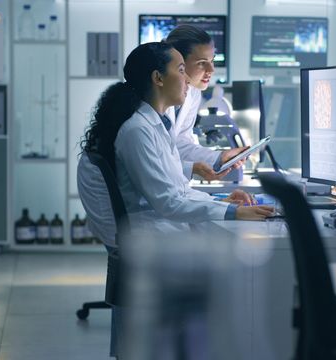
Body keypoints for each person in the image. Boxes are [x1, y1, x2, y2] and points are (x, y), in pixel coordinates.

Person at [78, 41, 274, 358]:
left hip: (161, 229)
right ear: (158, 78)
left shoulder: (157, 124)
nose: (187, 80)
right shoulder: (138, 131)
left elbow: (176, 191)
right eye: (181, 70)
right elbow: (169, 202)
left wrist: (227, 203)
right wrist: (232, 213)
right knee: (245, 267)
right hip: (155, 236)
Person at [165, 25, 247, 181]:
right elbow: (156, 163)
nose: (211, 70)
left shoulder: (193, 92)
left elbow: (180, 143)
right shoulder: (153, 101)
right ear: (178, 62)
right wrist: (192, 168)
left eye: (212, 61)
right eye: (202, 63)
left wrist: (220, 157)